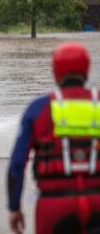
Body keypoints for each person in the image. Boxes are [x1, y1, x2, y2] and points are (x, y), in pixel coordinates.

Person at [7, 42, 100, 234]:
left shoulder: (38, 108)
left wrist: (15, 207)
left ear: (55, 70)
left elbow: (17, 165)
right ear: (87, 69)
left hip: (53, 206)